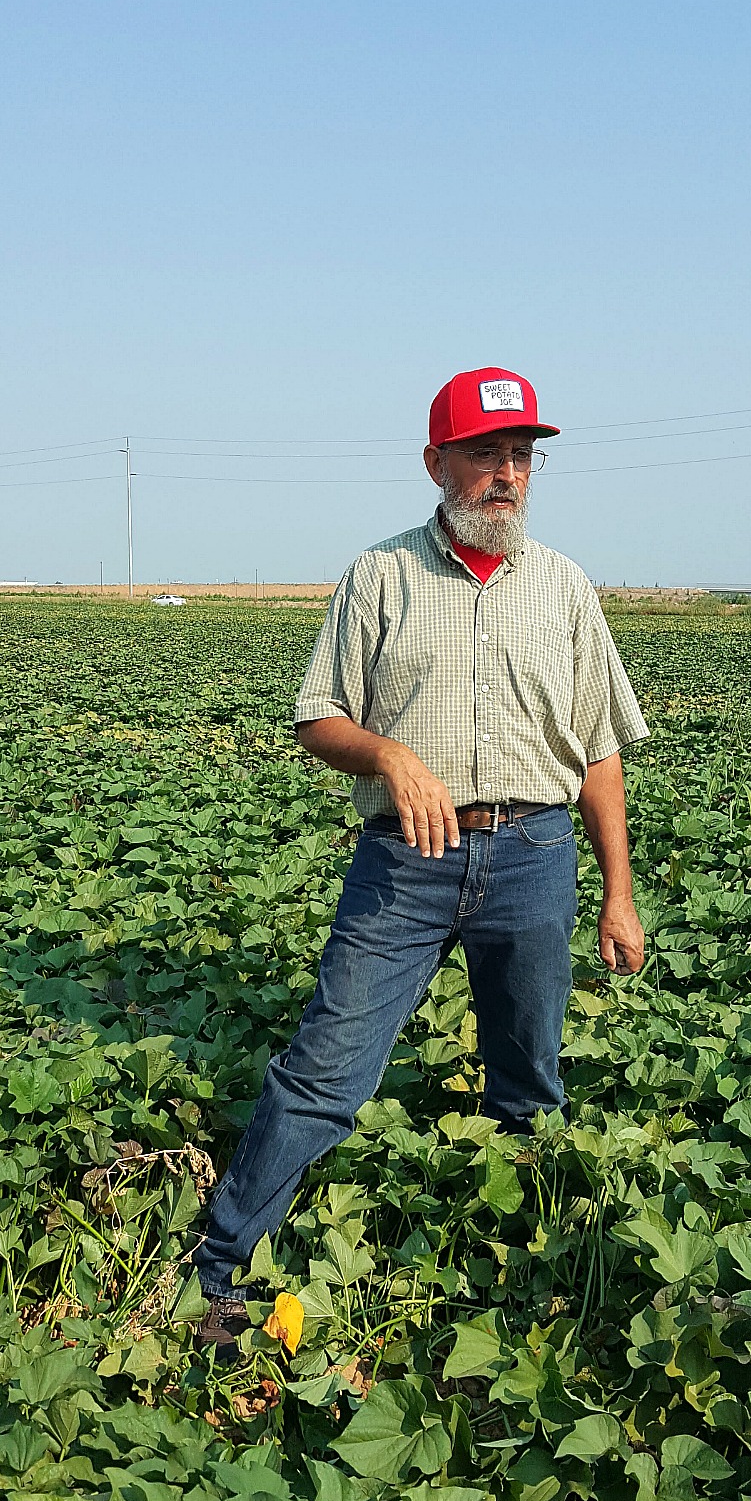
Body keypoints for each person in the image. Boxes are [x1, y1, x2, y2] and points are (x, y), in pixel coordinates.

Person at [195, 365, 649, 1348]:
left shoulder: (564, 588)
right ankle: (219, 1272)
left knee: (527, 1077)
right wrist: (387, 754)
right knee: (325, 1071)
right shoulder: (379, 575)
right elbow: (317, 713)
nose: (506, 475)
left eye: (520, 456)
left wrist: (617, 893)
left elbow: (601, 748)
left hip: (532, 853)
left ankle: (528, 1274)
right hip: (404, 864)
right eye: (485, 453)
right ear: (435, 462)